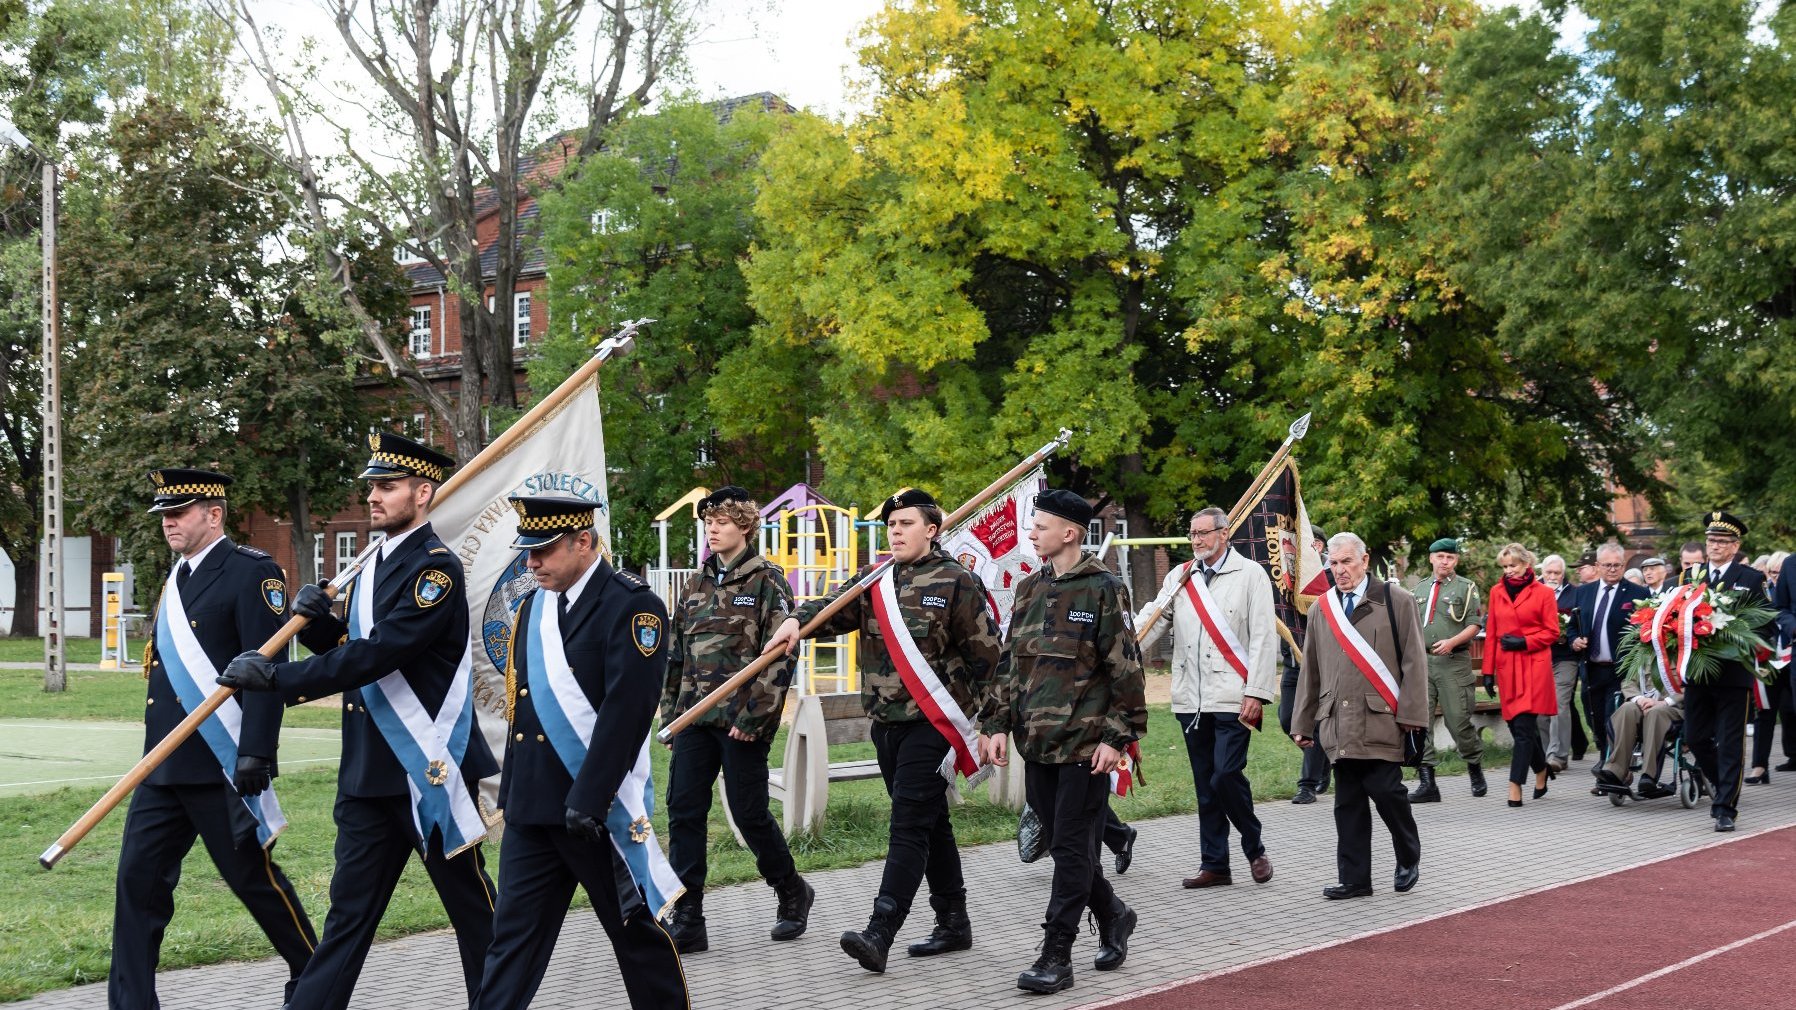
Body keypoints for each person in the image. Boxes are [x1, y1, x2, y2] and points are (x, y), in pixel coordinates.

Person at [218, 432, 498, 1009]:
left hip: (430, 772)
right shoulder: (371, 565)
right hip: (370, 775)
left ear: (423, 493)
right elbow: (352, 642)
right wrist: (318, 625)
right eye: (370, 487)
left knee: (473, 914)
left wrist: (279, 677)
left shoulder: (435, 570)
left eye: (387, 487)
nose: (372, 497)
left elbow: (383, 652)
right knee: (347, 919)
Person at [764, 487, 1001, 973]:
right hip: (886, 724)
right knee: (930, 823)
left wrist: (994, 723)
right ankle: (954, 922)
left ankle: (881, 929)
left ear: (932, 529)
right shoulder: (877, 579)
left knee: (908, 828)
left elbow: (991, 661)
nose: (895, 530)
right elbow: (831, 610)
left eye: (906, 523)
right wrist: (794, 621)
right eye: (891, 524)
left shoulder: (958, 582)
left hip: (933, 727)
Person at [470, 495, 689, 1010]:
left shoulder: (632, 605)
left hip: (596, 811)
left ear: (584, 542)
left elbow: (627, 712)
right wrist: (513, 796)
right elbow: (524, 710)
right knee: (511, 945)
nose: (531, 563)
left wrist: (590, 798)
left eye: (543, 550)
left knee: (636, 937)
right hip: (533, 808)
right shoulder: (531, 608)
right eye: (528, 551)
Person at [112, 469, 316, 1010]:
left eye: (179, 513)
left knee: (253, 881)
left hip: (222, 765)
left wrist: (256, 751)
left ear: (214, 514)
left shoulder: (253, 573)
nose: (169, 523)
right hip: (164, 764)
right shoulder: (175, 579)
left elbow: (267, 668)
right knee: (138, 882)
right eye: (164, 516)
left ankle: (315, 976)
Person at [981, 490, 1147, 994]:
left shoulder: (1104, 589)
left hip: (1085, 746)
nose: (1031, 534)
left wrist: (1117, 739)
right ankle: (1114, 913)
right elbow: (1011, 665)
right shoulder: (1031, 588)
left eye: (1040, 526)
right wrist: (994, 725)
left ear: (1070, 533)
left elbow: (1127, 671)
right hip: (1037, 744)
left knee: (1073, 849)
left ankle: (1057, 954)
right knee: (1064, 848)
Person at [659, 485, 810, 953]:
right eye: (708, 522)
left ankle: (791, 890)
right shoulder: (695, 584)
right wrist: (671, 714)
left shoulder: (767, 581)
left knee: (748, 814)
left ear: (744, 525)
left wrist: (756, 716)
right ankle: (689, 915)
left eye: (722, 521)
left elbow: (782, 657)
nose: (713, 528)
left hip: (742, 722)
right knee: (684, 811)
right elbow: (675, 654)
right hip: (695, 719)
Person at [1134, 506, 1278, 888]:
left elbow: (1264, 637)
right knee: (1205, 785)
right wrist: (1119, 645)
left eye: (1203, 533)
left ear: (1224, 533)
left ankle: (1254, 846)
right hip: (1189, 699)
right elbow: (1153, 618)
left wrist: (1257, 693)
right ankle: (1215, 864)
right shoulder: (1181, 577)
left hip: (1233, 696)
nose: (1196, 540)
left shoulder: (1251, 575)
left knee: (1225, 775)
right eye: (1192, 534)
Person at [1291, 532, 1427, 901]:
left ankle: (1407, 854)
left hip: (1382, 716)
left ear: (1365, 561)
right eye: (1333, 563)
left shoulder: (1396, 600)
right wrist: (1303, 723)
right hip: (1338, 721)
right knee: (1347, 802)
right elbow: (1312, 670)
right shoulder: (1322, 608)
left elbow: (1415, 661)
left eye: (1347, 562)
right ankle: (1355, 879)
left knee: (1386, 790)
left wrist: (1413, 714)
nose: (1339, 570)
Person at [1683, 512, 1768, 831]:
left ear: (1735, 546)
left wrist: (1737, 633)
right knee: (1696, 737)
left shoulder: (1750, 579)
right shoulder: (1690, 576)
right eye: (1711, 540)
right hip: (1698, 671)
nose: (1714, 545)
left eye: (1721, 541)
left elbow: (1766, 621)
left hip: (1734, 672)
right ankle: (1722, 784)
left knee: (1730, 740)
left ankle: (1725, 809)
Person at [1408, 538, 1486, 802]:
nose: (1445, 562)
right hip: (1423, 664)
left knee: (1458, 721)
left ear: (1456, 561)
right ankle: (1427, 782)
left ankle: (1474, 765)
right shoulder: (1418, 589)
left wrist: (1452, 641)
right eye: (1440, 556)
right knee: (1421, 723)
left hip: (1453, 662)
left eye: (1450, 558)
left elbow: (1475, 624)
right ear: (1431, 558)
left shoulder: (1467, 587)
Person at [1483, 544, 1560, 807]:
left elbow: (1552, 632)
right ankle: (1542, 769)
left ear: (1526, 563)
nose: (1509, 571)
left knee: (1525, 729)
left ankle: (1515, 785)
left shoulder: (1544, 593)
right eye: (1505, 567)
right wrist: (1487, 673)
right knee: (1517, 728)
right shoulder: (1496, 592)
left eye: (1513, 565)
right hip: (1507, 669)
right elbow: (1491, 633)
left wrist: (1524, 641)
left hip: (1533, 666)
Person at [1570, 543, 1647, 765]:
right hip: (1591, 667)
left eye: (1617, 565)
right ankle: (1606, 755)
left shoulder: (1638, 593)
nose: (1612, 569)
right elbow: (1574, 625)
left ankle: (1610, 765)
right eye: (1607, 565)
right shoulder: (1584, 592)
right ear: (1597, 566)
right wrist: (1575, 640)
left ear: (1623, 565)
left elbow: (1643, 629)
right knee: (1593, 718)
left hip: (1620, 669)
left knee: (1611, 717)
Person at [1277, 525, 1334, 803]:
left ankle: (1307, 785)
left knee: (1309, 722)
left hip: (1320, 664)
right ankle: (1321, 760)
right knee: (1287, 719)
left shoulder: (1331, 578)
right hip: (1292, 662)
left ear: (1318, 547)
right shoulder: (1287, 580)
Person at [1595, 668, 1683, 800]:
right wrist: (1639, 699)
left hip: (1673, 710)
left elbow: (1692, 685)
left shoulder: (1686, 651)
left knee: (1655, 713)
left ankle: (1649, 776)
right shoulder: (1644, 652)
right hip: (1644, 706)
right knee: (1627, 708)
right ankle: (1615, 771)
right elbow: (1628, 681)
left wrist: (1663, 702)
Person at [1539, 555, 1581, 773]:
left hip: (1565, 657)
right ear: (1543, 573)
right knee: (1540, 710)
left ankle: (1558, 756)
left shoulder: (1574, 593)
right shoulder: (1533, 591)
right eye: (1549, 573)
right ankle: (1546, 754)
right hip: (1539, 656)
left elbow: (1580, 621)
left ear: (1563, 574)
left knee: (1559, 703)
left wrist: (1569, 635)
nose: (1553, 577)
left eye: (1557, 573)